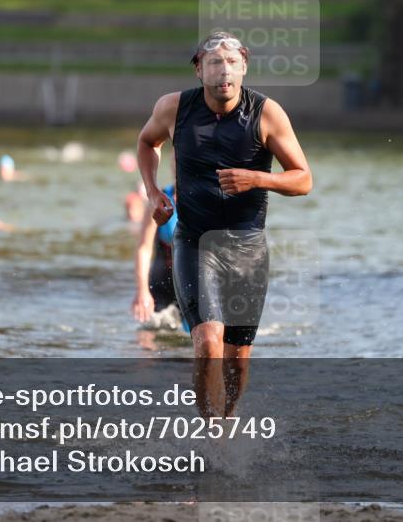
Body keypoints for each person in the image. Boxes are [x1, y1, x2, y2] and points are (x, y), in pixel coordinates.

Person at [136, 30, 312, 417]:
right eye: (215, 63)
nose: (224, 71)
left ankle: (227, 422)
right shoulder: (174, 108)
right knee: (207, 341)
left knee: (237, 358)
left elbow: (303, 180)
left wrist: (258, 179)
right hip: (195, 242)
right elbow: (148, 143)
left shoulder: (266, 113)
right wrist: (153, 192)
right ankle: (211, 434)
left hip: (247, 249)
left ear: (244, 66)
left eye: (232, 62)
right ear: (199, 70)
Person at [131, 183, 187, 332]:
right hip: (162, 280)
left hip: (194, 281)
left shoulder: (207, 195)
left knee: (199, 339)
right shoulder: (160, 198)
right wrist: (142, 290)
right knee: (147, 335)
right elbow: (144, 248)